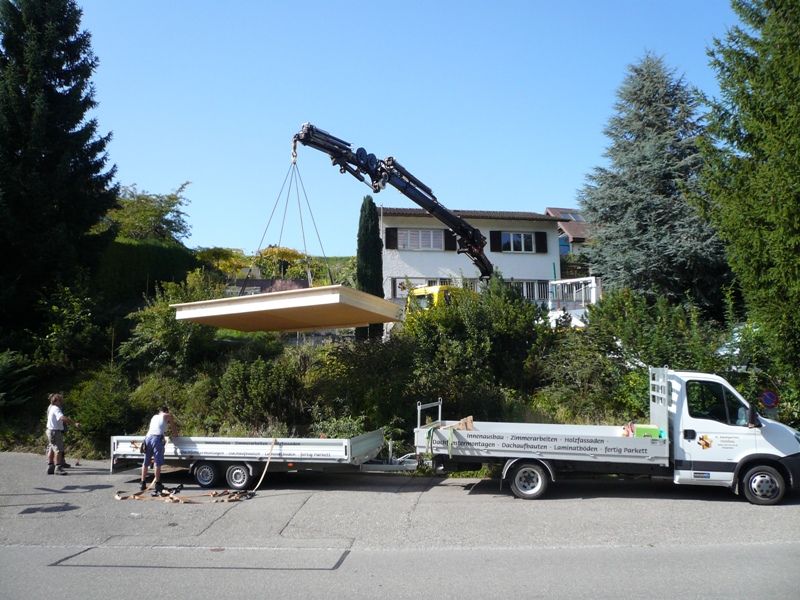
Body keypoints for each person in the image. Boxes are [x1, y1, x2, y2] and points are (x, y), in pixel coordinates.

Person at [140, 406, 179, 493]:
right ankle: (158, 484)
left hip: (147, 438)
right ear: (166, 411)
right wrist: (176, 435)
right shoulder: (167, 415)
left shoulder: (154, 416)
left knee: (146, 462)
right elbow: (173, 427)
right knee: (157, 462)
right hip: (156, 439)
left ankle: (142, 483)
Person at [45, 393, 79, 475]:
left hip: (50, 430)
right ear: (57, 401)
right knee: (59, 450)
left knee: (51, 449)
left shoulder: (51, 407)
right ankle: (58, 468)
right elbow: (62, 418)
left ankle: (50, 467)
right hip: (55, 432)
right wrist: (74, 423)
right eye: (60, 400)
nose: (61, 402)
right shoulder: (56, 408)